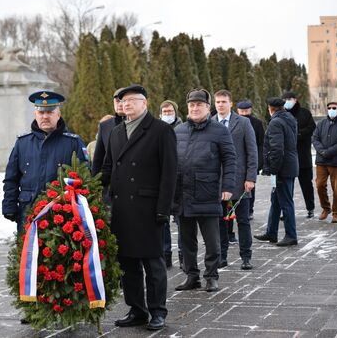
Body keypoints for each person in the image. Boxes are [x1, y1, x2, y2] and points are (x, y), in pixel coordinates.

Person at [101, 85, 177, 331]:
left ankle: (157, 311)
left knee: (153, 264)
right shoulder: (115, 132)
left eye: (131, 100)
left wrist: (164, 208)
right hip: (122, 208)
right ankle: (137, 309)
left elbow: (169, 173)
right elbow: (107, 169)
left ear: (144, 103)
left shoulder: (160, 130)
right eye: (122, 101)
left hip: (148, 207)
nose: (126, 105)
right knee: (127, 264)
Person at [174, 89, 236, 293]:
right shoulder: (178, 131)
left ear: (207, 108)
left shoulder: (219, 131)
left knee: (212, 241)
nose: (195, 108)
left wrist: (227, 186)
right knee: (186, 241)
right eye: (191, 105)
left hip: (208, 192)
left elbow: (230, 159)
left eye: (199, 105)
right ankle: (192, 276)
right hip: (183, 194)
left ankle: (211, 276)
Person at [2, 91, 88, 234]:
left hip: (62, 213)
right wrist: (9, 205)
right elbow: (11, 178)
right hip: (28, 210)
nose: (45, 116)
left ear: (58, 114)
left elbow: (85, 177)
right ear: (35, 114)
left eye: (50, 112)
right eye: (41, 112)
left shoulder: (73, 143)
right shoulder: (22, 143)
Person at [213, 90, 257, 270]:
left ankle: (246, 256)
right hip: (218, 182)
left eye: (223, 101)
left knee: (243, 221)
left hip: (240, 181)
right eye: (217, 102)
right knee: (220, 221)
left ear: (231, 103)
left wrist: (250, 177)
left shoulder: (243, 123)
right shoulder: (209, 123)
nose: (220, 105)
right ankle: (222, 256)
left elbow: (252, 151)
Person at [254, 97, 299, 247]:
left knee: (286, 202)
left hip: (282, 168)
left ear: (270, 108)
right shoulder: (289, 118)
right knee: (276, 201)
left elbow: (277, 149)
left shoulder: (275, 122)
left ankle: (291, 235)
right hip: (289, 165)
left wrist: (272, 169)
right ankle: (271, 232)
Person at [312, 101, 337, 223]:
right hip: (321, 161)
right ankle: (326, 208)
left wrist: (329, 152)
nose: (331, 110)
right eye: (329, 108)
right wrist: (322, 151)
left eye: (334, 108)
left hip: (336, 162)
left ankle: (336, 213)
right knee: (319, 185)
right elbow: (315, 138)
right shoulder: (321, 123)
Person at [282, 92, 316, 218]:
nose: (287, 101)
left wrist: (297, 134)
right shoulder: (282, 114)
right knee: (286, 186)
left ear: (295, 100)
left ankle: (310, 208)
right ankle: (285, 210)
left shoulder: (304, 112)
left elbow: (311, 127)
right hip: (287, 157)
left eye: (289, 99)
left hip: (303, 155)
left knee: (306, 184)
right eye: (284, 99)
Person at [158, 100, 183, 269]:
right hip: (162, 180)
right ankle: (166, 254)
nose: (167, 113)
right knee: (163, 221)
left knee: (182, 221)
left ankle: (183, 254)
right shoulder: (157, 130)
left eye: (170, 111)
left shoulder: (183, 128)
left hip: (181, 180)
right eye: (164, 111)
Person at [236, 100, 265, 220]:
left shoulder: (257, 123)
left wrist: (259, 162)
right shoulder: (234, 122)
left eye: (246, 111)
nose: (244, 113)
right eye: (241, 111)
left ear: (250, 110)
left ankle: (250, 209)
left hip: (252, 160)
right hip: (237, 160)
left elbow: (260, 144)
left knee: (250, 186)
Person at [91, 88, 125, 177]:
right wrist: (94, 183)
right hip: (110, 180)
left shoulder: (137, 124)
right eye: (117, 101)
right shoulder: (105, 126)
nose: (120, 104)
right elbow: (98, 158)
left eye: (122, 101)